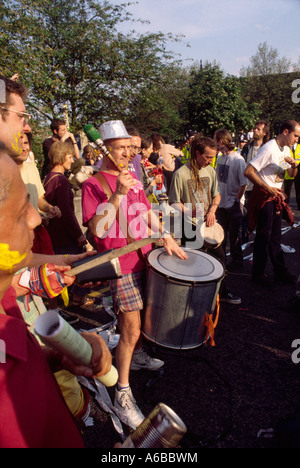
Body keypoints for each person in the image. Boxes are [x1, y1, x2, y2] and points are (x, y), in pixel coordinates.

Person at [0, 146, 112, 447]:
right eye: (20, 207)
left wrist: (57, 358)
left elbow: (19, 370)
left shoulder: (6, 316)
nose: (36, 218)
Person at [81, 120, 188, 429]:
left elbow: (144, 214)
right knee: (130, 326)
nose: (128, 153)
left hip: (145, 256)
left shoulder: (134, 177)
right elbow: (96, 232)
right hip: (121, 263)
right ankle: (122, 395)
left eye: (131, 147)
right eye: (122, 148)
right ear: (106, 149)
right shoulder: (94, 184)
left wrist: (165, 233)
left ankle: (138, 355)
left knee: (144, 320)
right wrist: (116, 194)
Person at [168, 134, 241, 304]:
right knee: (193, 263)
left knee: (220, 258)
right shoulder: (181, 174)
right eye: (208, 157)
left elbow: (216, 196)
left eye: (213, 157)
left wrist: (212, 211)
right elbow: (173, 202)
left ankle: (221, 293)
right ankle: (192, 299)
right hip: (189, 227)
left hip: (208, 224)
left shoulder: (210, 170)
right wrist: (190, 211)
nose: (210, 160)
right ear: (197, 153)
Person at [244, 120, 299, 285]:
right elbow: (248, 171)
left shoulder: (285, 149)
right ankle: (258, 275)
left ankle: (280, 271)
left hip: (275, 196)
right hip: (264, 197)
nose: (297, 139)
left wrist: (294, 165)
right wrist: (267, 188)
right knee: (263, 236)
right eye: (295, 135)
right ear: (285, 132)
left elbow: (290, 174)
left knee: (275, 237)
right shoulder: (269, 148)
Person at [214, 129, 248, 271]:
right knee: (221, 235)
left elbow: (243, 183)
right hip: (221, 203)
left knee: (235, 236)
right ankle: (222, 262)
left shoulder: (238, 160)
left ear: (221, 141)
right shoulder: (220, 158)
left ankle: (237, 263)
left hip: (233, 203)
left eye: (215, 140)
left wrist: (236, 200)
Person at [284, 141, 300, 207]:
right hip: (288, 172)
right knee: (286, 192)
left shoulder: (299, 147)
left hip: (298, 172)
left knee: (299, 190)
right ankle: (285, 207)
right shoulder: (286, 147)